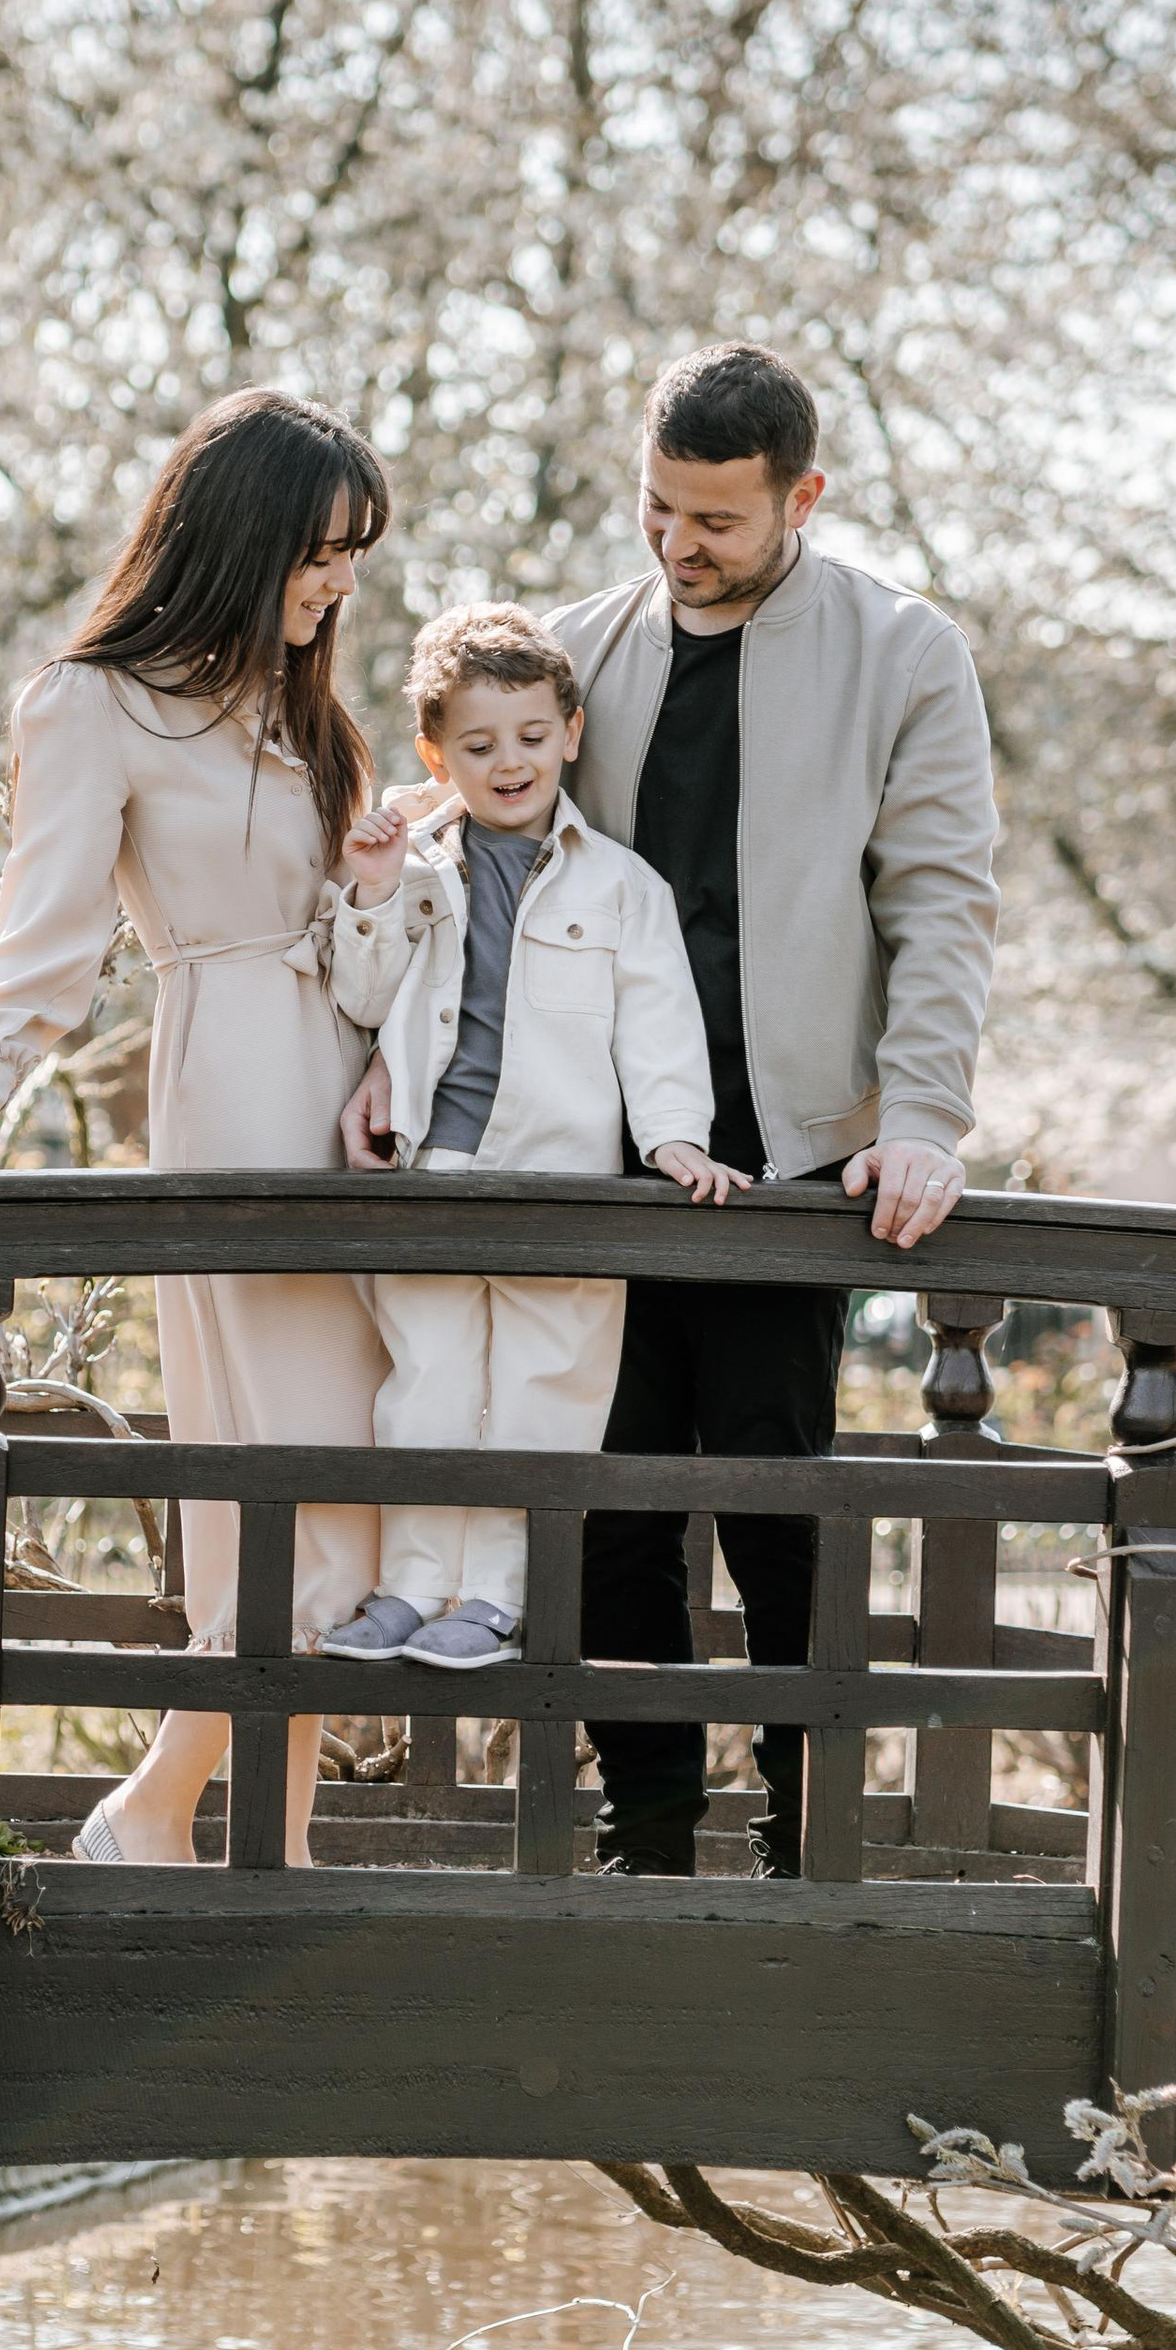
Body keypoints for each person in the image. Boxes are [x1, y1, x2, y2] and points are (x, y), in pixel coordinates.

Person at [341, 343, 1000, 1874]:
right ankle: (647, 1834)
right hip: (586, 1163)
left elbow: (944, 905)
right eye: (658, 508)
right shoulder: (572, 652)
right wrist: (404, 1054)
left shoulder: (906, 654)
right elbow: (467, 851)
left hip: (786, 1167)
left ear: (803, 497)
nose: (678, 545)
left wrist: (925, 1114)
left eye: (716, 520)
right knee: (609, 1520)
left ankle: (804, 1840)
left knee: (778, 1515)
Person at [0, 387, 392, 1872]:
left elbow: (348, 920)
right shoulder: (87, 702)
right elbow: (49, 940)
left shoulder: (298, 706)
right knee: (287, 1497)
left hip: (353, 1108)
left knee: (349, 1490)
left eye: (353, 556)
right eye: (319, 551)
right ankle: (168, 1816)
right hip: (232, 1100)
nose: (337, 583)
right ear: (242, 537)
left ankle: (233, 1855)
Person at [318, 604, 745, 1669]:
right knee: (424, 1386)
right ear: (435, 755)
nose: (506, 762)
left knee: (541, 1394)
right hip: (437, 1165)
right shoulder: (414, 867)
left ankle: (498, 1595)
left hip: (562, 1183)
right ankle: (413, 1583)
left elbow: (658, 1025)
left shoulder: (620, 886)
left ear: (569, 731)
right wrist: (367, 893)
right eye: (475, 745)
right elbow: (361, 998)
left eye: (526, 736)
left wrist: (675, 1137)